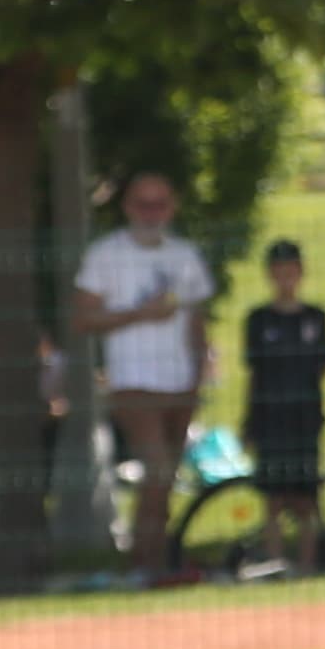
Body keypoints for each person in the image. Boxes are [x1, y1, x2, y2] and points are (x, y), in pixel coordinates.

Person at [70, 173, 219, 579]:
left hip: (180, 380)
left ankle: (158, 560)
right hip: (133, 379)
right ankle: (141, 561)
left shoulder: (185, 255)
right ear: (128, 207)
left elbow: (196, 319)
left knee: (168, 477)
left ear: (172, 208)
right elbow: (83, 318)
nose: (152, 213)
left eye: (161, 204)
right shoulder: (106, 255)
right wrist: (140, 314)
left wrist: (198, 373)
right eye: (144, 204)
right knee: (155, 468)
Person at [240, 240, 325, 574]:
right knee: (274, 498)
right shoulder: (258, 320)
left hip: (305, 416)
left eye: (291, 271)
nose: (285, 278)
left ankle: (308, 566)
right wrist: (249, 420)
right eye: (278, 272)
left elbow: (323, 364)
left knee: (307, 498)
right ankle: (275, 564)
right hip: (270, 417)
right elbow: (253, 373)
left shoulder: (315, 318)